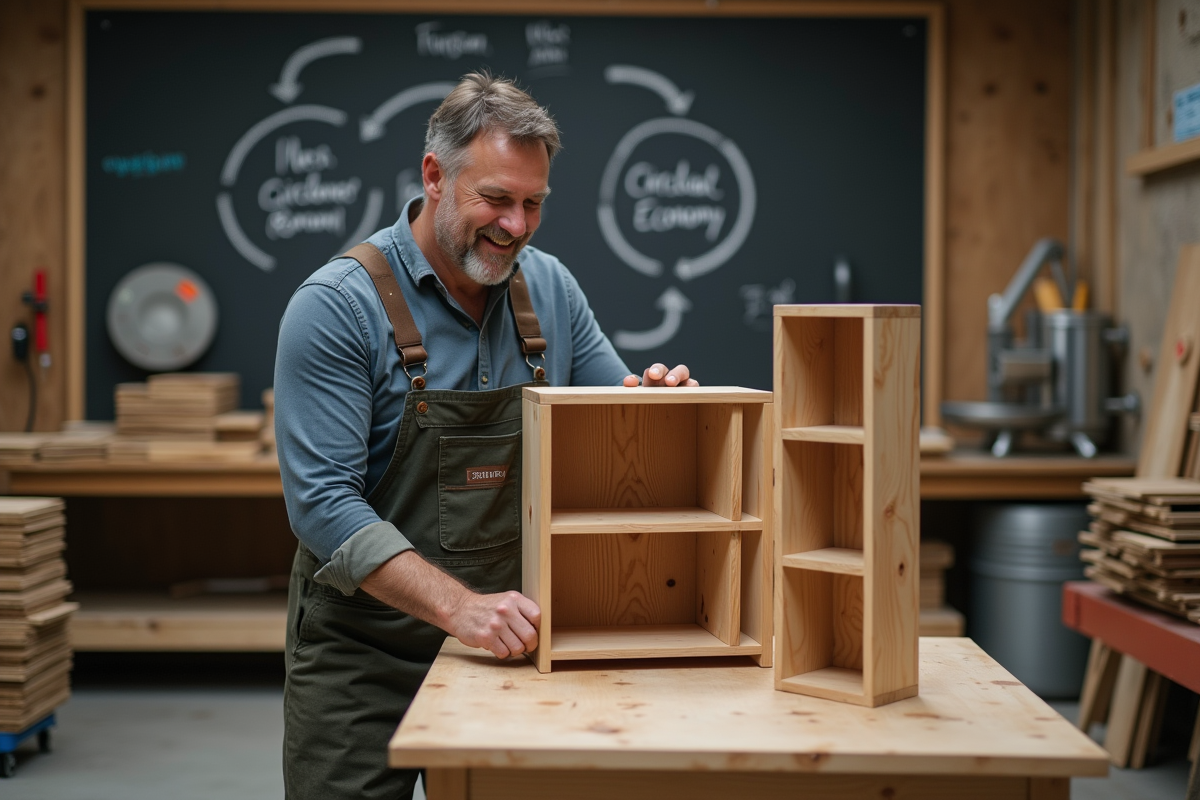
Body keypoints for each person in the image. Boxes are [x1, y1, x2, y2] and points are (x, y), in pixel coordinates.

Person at [274, 72, 697, 800]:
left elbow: (613, 424)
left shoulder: (550, 288)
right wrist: (458, 608)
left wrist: (657, 407)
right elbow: (322, 506)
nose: (518, 226)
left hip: (509, 644)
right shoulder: (337, 308)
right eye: (497, 199)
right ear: (435, 176)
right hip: (362, 651)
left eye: (533, 204)